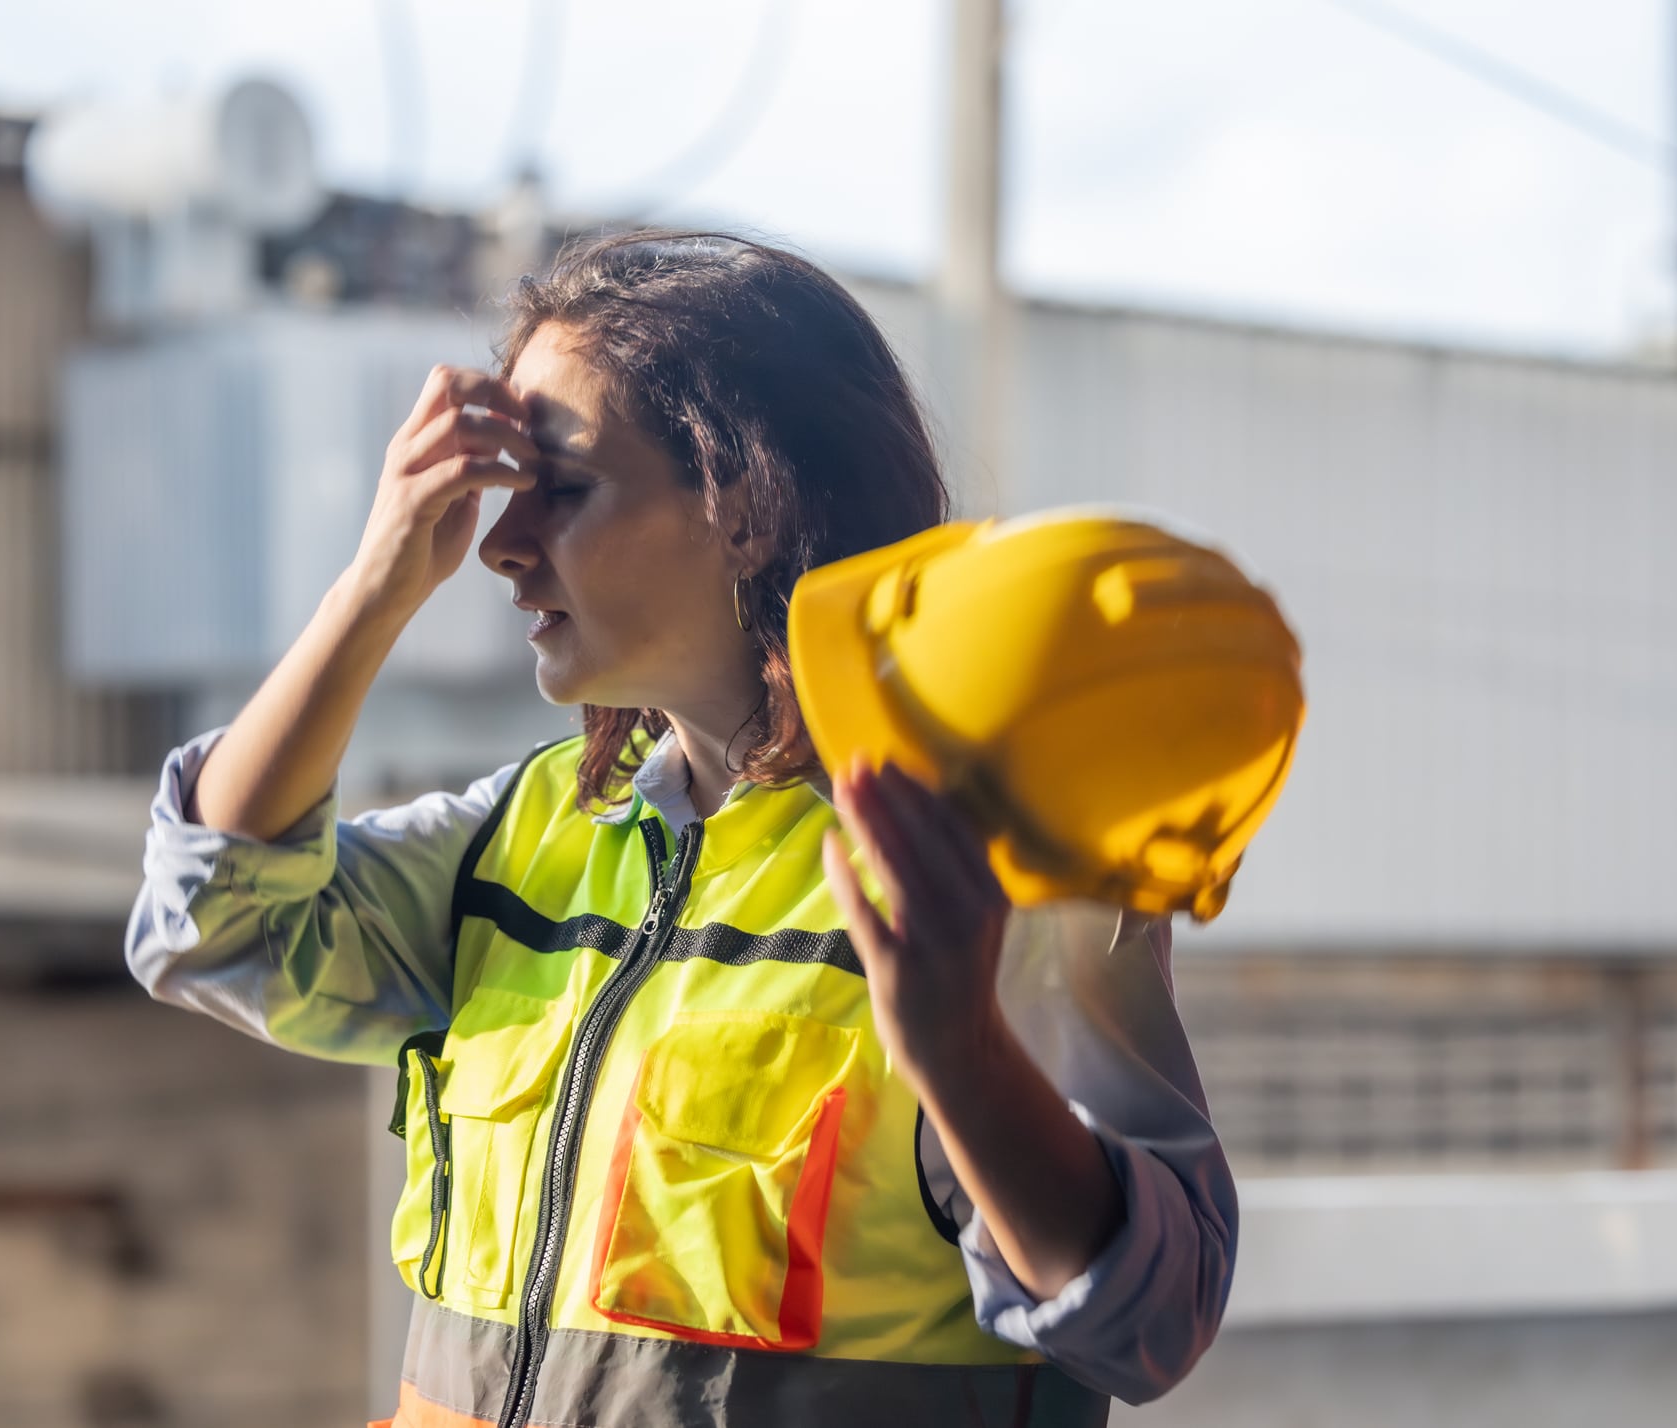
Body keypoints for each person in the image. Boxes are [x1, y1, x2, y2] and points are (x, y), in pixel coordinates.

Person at [126, 230, 1235, 1428]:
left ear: (747, 506)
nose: (499, 545)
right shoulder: (527, 836)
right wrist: (376, 583)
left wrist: (961, 1055)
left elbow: (1152, 1318)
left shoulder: (996, 873)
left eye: (564, 485)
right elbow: (211, 926)